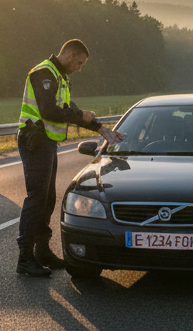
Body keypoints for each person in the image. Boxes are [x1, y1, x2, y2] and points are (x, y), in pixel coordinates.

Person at [16, 39, 123, 277]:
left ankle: (42, 251)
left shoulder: (60, 76)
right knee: (36, 199)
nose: (80, 68)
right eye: (81, 63)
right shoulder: (44, 72)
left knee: (48, 199)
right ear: (71, 56)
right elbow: (49, 111)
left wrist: (99, 128)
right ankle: (25, 257)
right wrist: (81, 115)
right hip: (35, 140)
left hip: (46, 142)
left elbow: (68, 110)